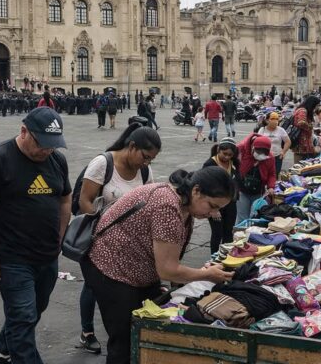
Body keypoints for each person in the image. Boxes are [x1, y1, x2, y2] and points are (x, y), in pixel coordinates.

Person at [82, 167, 236, 364]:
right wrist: (207, 274)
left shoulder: (182, 204)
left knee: (145, 331)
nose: (215, 214)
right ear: (196, 190)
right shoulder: (167, 207)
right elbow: (168, 270)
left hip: (138, 268)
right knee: (124, 341)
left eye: (218, 209)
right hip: (112, 271)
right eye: (212, 206)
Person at [0, 107, 72, 364]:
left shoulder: (57, 160)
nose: (47, 150)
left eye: (53, 145)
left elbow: (64, 199)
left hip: (47, 255)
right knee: (23, 316)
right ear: (24, 131)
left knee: (34, 310)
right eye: (42, 144)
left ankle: (4, 349)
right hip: (11, 257)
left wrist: (60, 237)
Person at [76, 123, 160, 354]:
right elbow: (85, 201)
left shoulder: (144, 171)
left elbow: (150, 199)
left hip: (131, 245)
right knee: (93, 286)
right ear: (132, 146)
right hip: (100, 240)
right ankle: (87, 331)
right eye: (145, 156)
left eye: (151, 159)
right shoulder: (103, 163)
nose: (147, 163)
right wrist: (103, 231)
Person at [202, 137, 241, 253]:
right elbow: (205, 187)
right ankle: (214, 258)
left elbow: (237, 181)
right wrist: (213, 209)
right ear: (218, 150)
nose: (227, 157)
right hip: (215, 205)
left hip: (230, 203)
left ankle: (226, 256)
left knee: (228, 232)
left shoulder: (234, 163)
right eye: (225, 154)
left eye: (230, 155)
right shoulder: (209, 164)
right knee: (217, 233)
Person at [235, 133, 276, 222]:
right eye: (258, 152)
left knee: (255, 217)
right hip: (242, 191)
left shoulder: (270, 157)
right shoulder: (241, 149)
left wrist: (271, 187)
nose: (260, 155)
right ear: (253, 147)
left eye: (263, 153)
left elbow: (272, 174)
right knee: (242, 217)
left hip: (258, 192)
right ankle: (240, 234)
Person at [257, 112, 291, 176]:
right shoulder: (262, 130)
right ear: (267, 120)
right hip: (264, 157)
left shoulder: (281, 130)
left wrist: (283, 152)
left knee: (274, 175)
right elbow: (257, 142)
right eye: (272, 119)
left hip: (277, 156)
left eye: (277, 119)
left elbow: (288, 142)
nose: (275, 121)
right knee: (263, 175)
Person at [291, 96, 319, 163]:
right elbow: (301, 123)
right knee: (300, 160)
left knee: (301, 158)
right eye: (316, 105)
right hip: (302, 139)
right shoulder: (303, 110)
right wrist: (310, 126)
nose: (316, 107)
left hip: (302, 139)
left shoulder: (301, 109)